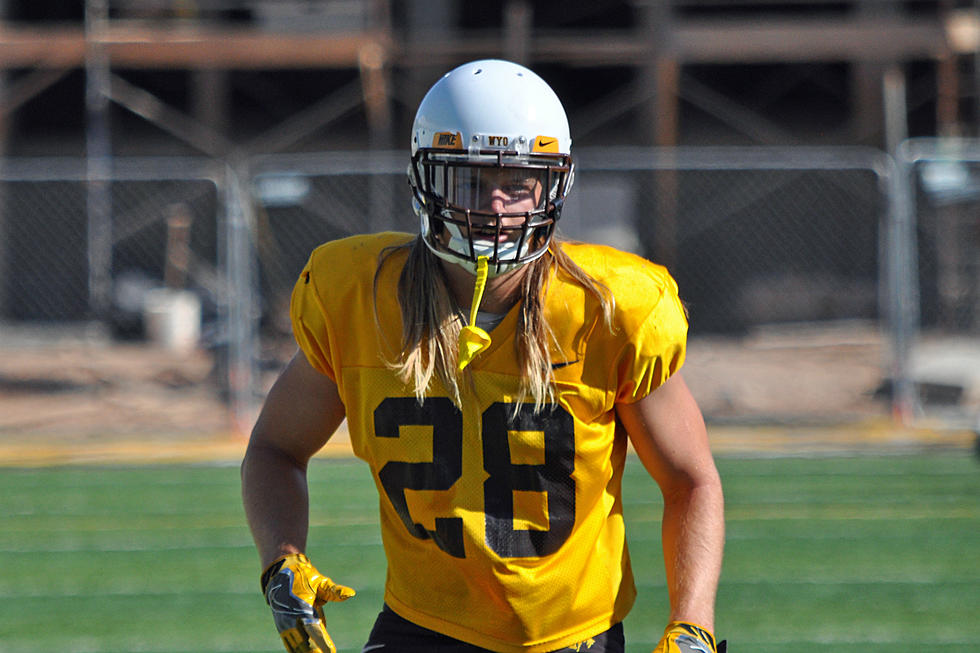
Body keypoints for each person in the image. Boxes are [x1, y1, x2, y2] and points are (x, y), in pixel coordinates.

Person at [242, 59, 726, 653]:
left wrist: (693, 623)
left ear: (552, 186)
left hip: (571, 639)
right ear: (426, 181)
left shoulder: (610, 310)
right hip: (423, 627)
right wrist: (282, 562)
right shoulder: (356, 297)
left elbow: (691, 480)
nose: (495, 207)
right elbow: (275, 449)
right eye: (470, 182)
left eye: (518, 184)